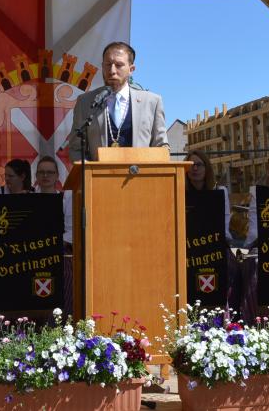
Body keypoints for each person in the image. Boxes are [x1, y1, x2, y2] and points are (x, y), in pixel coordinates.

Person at [69, 42, 168, 161]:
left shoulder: (152, 102)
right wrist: (88, 171)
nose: (112, 70)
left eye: (119, 65)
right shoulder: (85, 102)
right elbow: (76, 148)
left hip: (140, 177)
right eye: (108, 64)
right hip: (98, 178)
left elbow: (161, 147)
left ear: (131, 69)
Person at [186, 150, 241, 310]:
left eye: (199, 164)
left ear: (207, 168)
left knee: (233, 270)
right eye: (191, 165)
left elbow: (224, 222)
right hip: (189, 248)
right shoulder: (180, 192)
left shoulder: (220, 191)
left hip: (215, 246)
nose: (195, 168)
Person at [34, 155, 75, 312]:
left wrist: (50, 247)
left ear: (57, 176)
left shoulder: (66, 198)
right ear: (36, 176)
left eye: (50, 172)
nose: (45, 176)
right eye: (42, 172)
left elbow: (70, 232)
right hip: (33, 255)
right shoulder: (27, 198)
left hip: (59, 254)